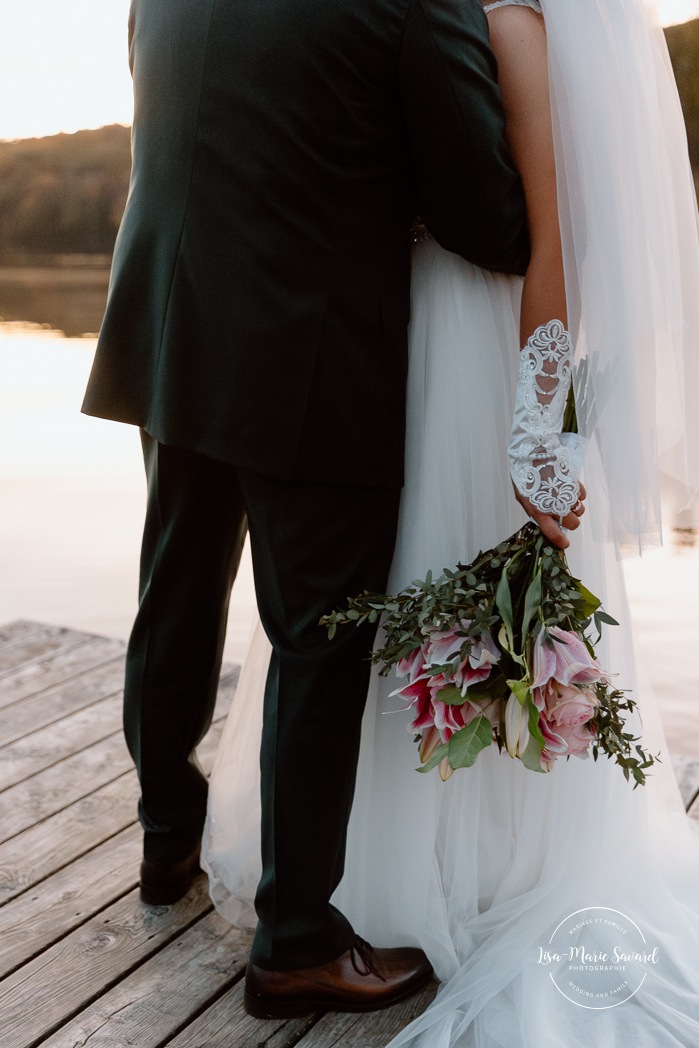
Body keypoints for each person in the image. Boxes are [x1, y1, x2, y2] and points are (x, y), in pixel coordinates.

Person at [203, 0, 699, 1043]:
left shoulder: (512, 22)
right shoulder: (445, 20)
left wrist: (535, 432)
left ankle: (467, 866)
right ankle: (354, 881)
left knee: (432, 573)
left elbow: (550, 248)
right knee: (373, 602)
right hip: (401, 347)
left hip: (473, 354)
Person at [81, 0, 534, 1021]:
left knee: (176, 587)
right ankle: (293, 944)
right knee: (318, 640)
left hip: (174, 316)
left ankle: (167, 840)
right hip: (313, 352)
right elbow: (487, 220)